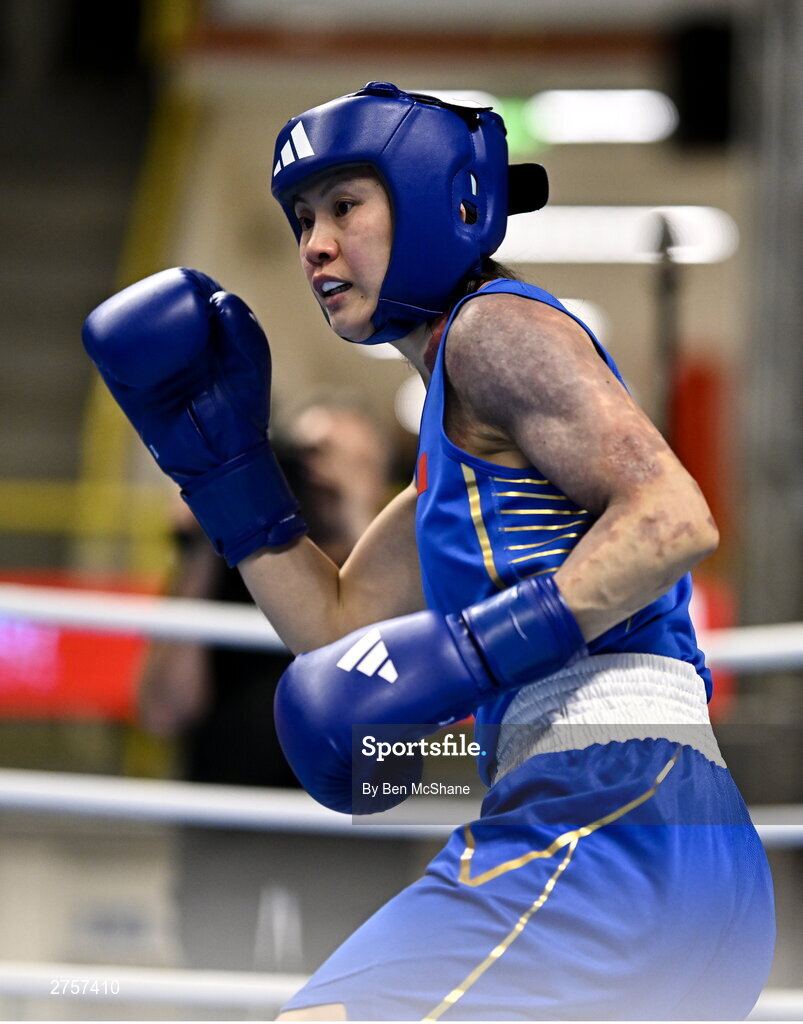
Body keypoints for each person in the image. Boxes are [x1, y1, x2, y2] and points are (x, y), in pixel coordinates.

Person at [83, 82, 775, 1020]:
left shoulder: (496, 328)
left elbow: (671, 520)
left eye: (343, 206)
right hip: (659, 831)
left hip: (608, 816)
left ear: (430, 197)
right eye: (299, 219)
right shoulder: (452, 450)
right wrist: (232, 487)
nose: (314, 244)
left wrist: (475, 650)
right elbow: (337, 630)